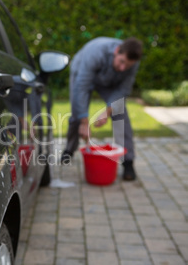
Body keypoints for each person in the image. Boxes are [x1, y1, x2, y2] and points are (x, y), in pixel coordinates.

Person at [61, 37, 143, 181]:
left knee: (120, 113)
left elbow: (123, 90)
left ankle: (128, 162)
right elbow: (82, 86)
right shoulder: (96, 53)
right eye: (122, 62)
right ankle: (69, 149)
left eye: (128, 65)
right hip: (81, 75)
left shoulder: (131, 64)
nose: (123, 68)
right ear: (117, 51)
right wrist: (84, 122)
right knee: (76, 114)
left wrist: (107, 112)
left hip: (109, 80)